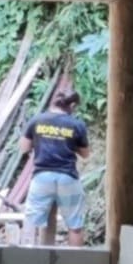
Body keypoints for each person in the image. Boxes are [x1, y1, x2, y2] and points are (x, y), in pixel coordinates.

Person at [20, 90, 91, 246]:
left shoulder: (37, 120)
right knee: (75, 226)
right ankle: (75, 261)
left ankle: (30, 258)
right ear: (72, 105)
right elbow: (85, 154)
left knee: (33, 222)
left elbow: (24, 147)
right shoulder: (76, 125)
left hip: (42, 178)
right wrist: (69, 143)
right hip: (67, 178)